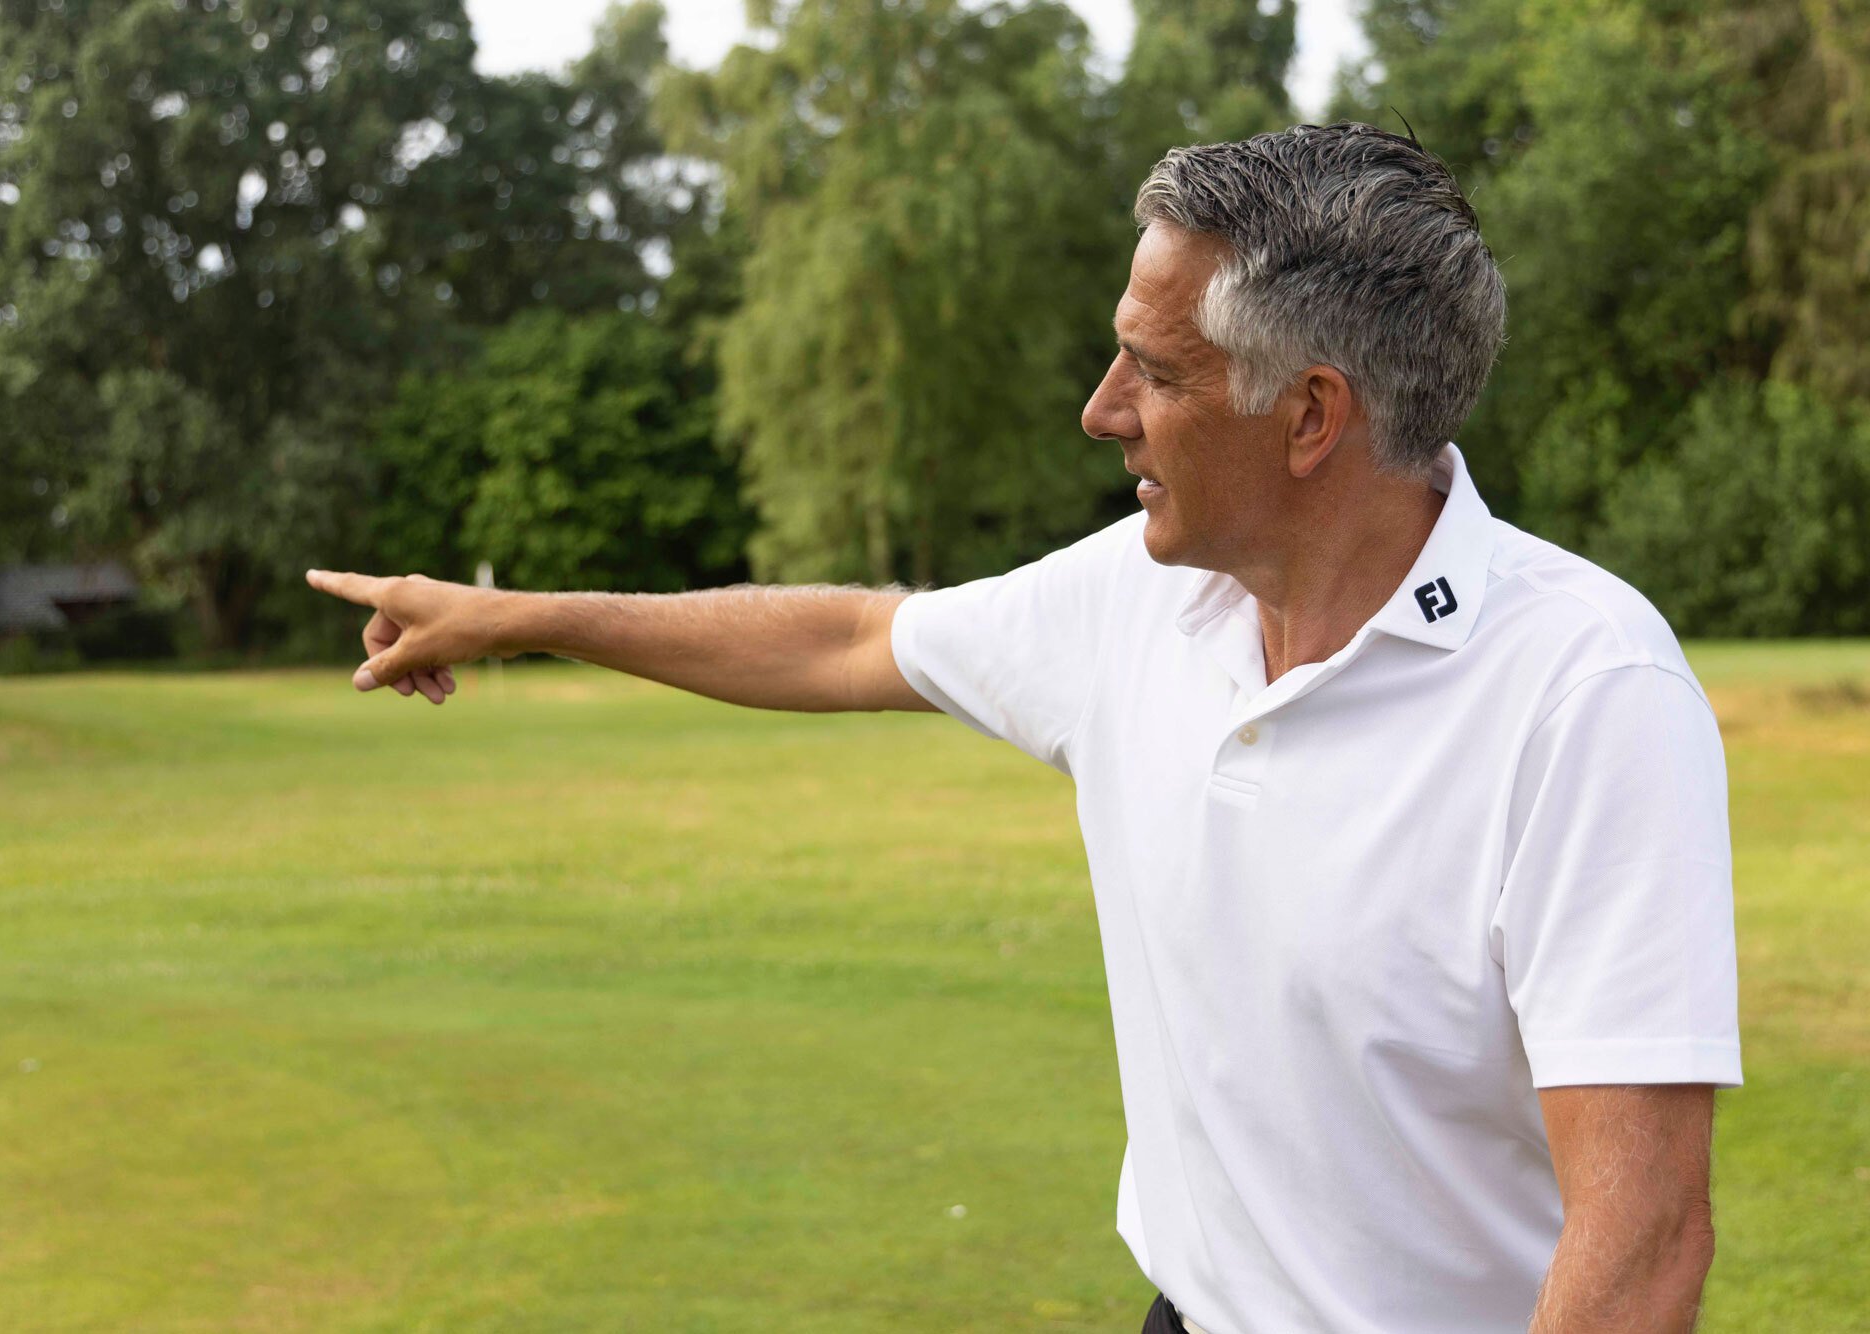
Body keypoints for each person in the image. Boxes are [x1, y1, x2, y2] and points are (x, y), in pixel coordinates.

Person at [307, 122, 1740, 1334]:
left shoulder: (1587, 694)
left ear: (1311, 415)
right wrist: (523, 616)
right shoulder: (1133, 601)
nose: (1100, 409)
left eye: (1157, 373)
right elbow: (853, 635)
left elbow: (1644, 1241)